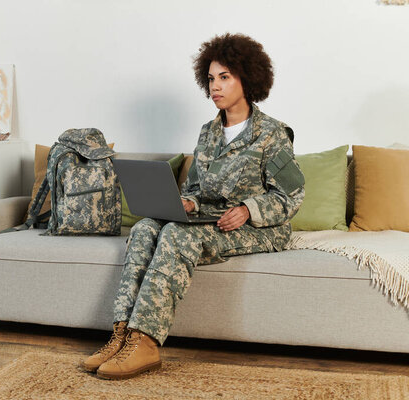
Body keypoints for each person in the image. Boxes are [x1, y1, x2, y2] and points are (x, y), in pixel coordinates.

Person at [82, 33, 305, 380]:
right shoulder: (208, 133)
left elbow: (291, 196)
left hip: (257, 227)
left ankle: (146, 342)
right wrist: (188, 201)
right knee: (143, 228)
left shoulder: (272, 134)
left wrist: (248, 209)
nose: (215, 86)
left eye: (225, 77)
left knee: (175, 236)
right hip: (211, 220)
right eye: (211, 78)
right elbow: (198, 188)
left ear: (248, 78)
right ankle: (122, 334)